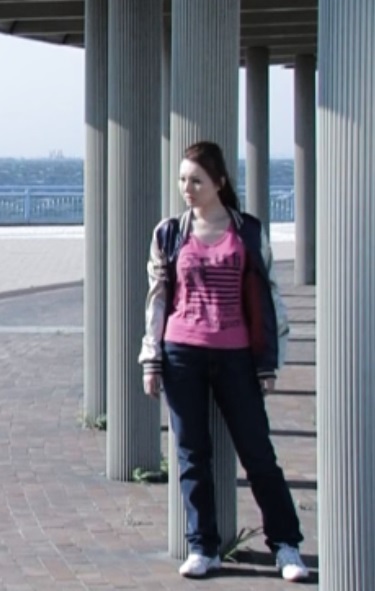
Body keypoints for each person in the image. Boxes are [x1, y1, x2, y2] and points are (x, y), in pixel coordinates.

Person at [138, 141, 308, 582]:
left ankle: (286, 545)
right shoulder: (170, 233)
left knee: (258, 452)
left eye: (196, 180)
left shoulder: (247, 231)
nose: (187, 188)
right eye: (182, 180)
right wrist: (151, 359)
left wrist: (269, 362)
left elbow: (268, 298)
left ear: (219, 182)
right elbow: (158, 299)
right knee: (191, 454)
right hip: (182, 353)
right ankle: (203, 547)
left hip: (236, 356)